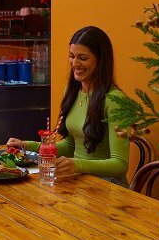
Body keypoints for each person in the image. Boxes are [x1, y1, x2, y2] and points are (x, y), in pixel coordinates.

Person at [8, 25, 130, 185]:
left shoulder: (115, 101)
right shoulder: (72, 91)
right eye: (72, 56)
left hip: (108, 186)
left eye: (83, 58)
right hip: (79, 181)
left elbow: (120, 164)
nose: (75, 63)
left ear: (101, 61)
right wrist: (27, 145)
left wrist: (76, 164)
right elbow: (70, 145)